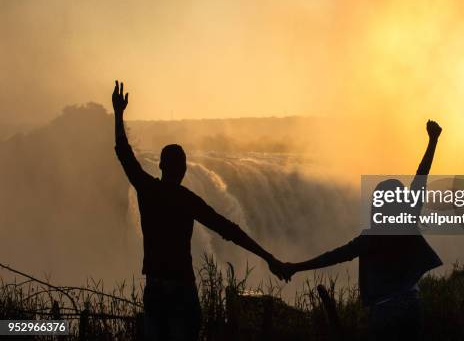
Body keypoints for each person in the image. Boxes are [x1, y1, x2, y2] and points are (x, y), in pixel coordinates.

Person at [111, 81, 288, 341]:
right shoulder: (187, 200)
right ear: (183, 169)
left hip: (156, 287)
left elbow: (124, 154)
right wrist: (268, 257)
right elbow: (229, 230)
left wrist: (118, 114)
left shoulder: (146, 189)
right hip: (182, 287)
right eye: (181, 165)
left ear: (160, 165)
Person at [281, 120, 443, 340]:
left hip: (386, 310)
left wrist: (296, 267)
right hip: (413, 305)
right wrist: (433, 140)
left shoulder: (372, 237)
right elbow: (421, 176)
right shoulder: (408, 217)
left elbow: (335, 256)